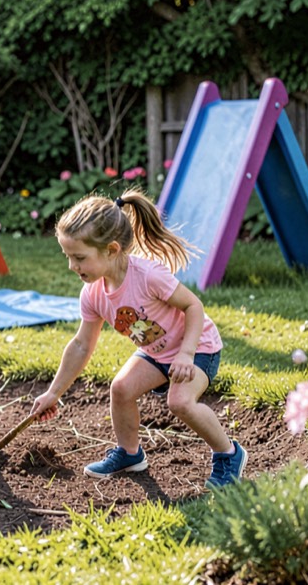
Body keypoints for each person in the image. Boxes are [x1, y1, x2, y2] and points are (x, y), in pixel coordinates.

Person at [29, 191, 247, 488]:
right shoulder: (93, 293)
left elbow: (193, 306)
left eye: (79, 258)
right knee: (121, 388)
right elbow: (81, 345)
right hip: (158, 353)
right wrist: (54, 393)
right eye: (68, 257)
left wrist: (186, 353)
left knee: (180, 402)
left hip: (197, 348)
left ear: (112, 249)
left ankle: (229, 454)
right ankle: (130, 453)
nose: (72, 266)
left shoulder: (147, 276)